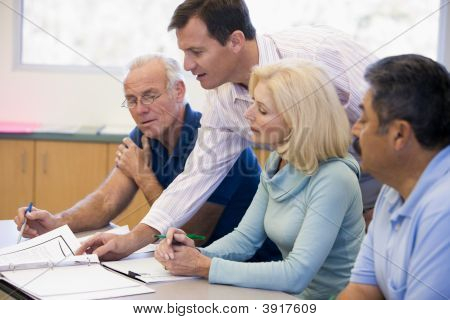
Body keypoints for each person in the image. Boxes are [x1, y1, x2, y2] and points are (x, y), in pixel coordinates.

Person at [77, 0, 379, 259]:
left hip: (384, 169)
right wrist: (133, 240)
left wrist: (376, 200)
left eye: (196, 51)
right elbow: (198, 176)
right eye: (184, 51)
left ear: (235, 41)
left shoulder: (318, 54)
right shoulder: (224, 98)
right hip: (324, 186)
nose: (188, 63)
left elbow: (391, 119)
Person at [15, 54, 279, 261]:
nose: (140, 110)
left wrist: (143, 176)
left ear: (179, 91)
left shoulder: (219, 141)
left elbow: (191, 235)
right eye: (131, 100)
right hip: (191, 267)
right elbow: (106, 200)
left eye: (150, 96)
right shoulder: (146, 133)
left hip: (246, 268)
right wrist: (57, 222)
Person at [155, 59, 365, 299]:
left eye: (262, 109)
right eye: (253, 102)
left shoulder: (335, 178)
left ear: (298, 120)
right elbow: (244, 239)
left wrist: (204, 266)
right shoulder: (279, 162)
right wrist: (195, 254)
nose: (248, 113)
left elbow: (296, 274)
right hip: (288, 299)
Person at [338, 54, 450, 300]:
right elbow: (363, 290)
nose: (355, 129)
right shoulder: (392, 189)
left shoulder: (444, 210)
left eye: (364, 119)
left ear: (400, 134)